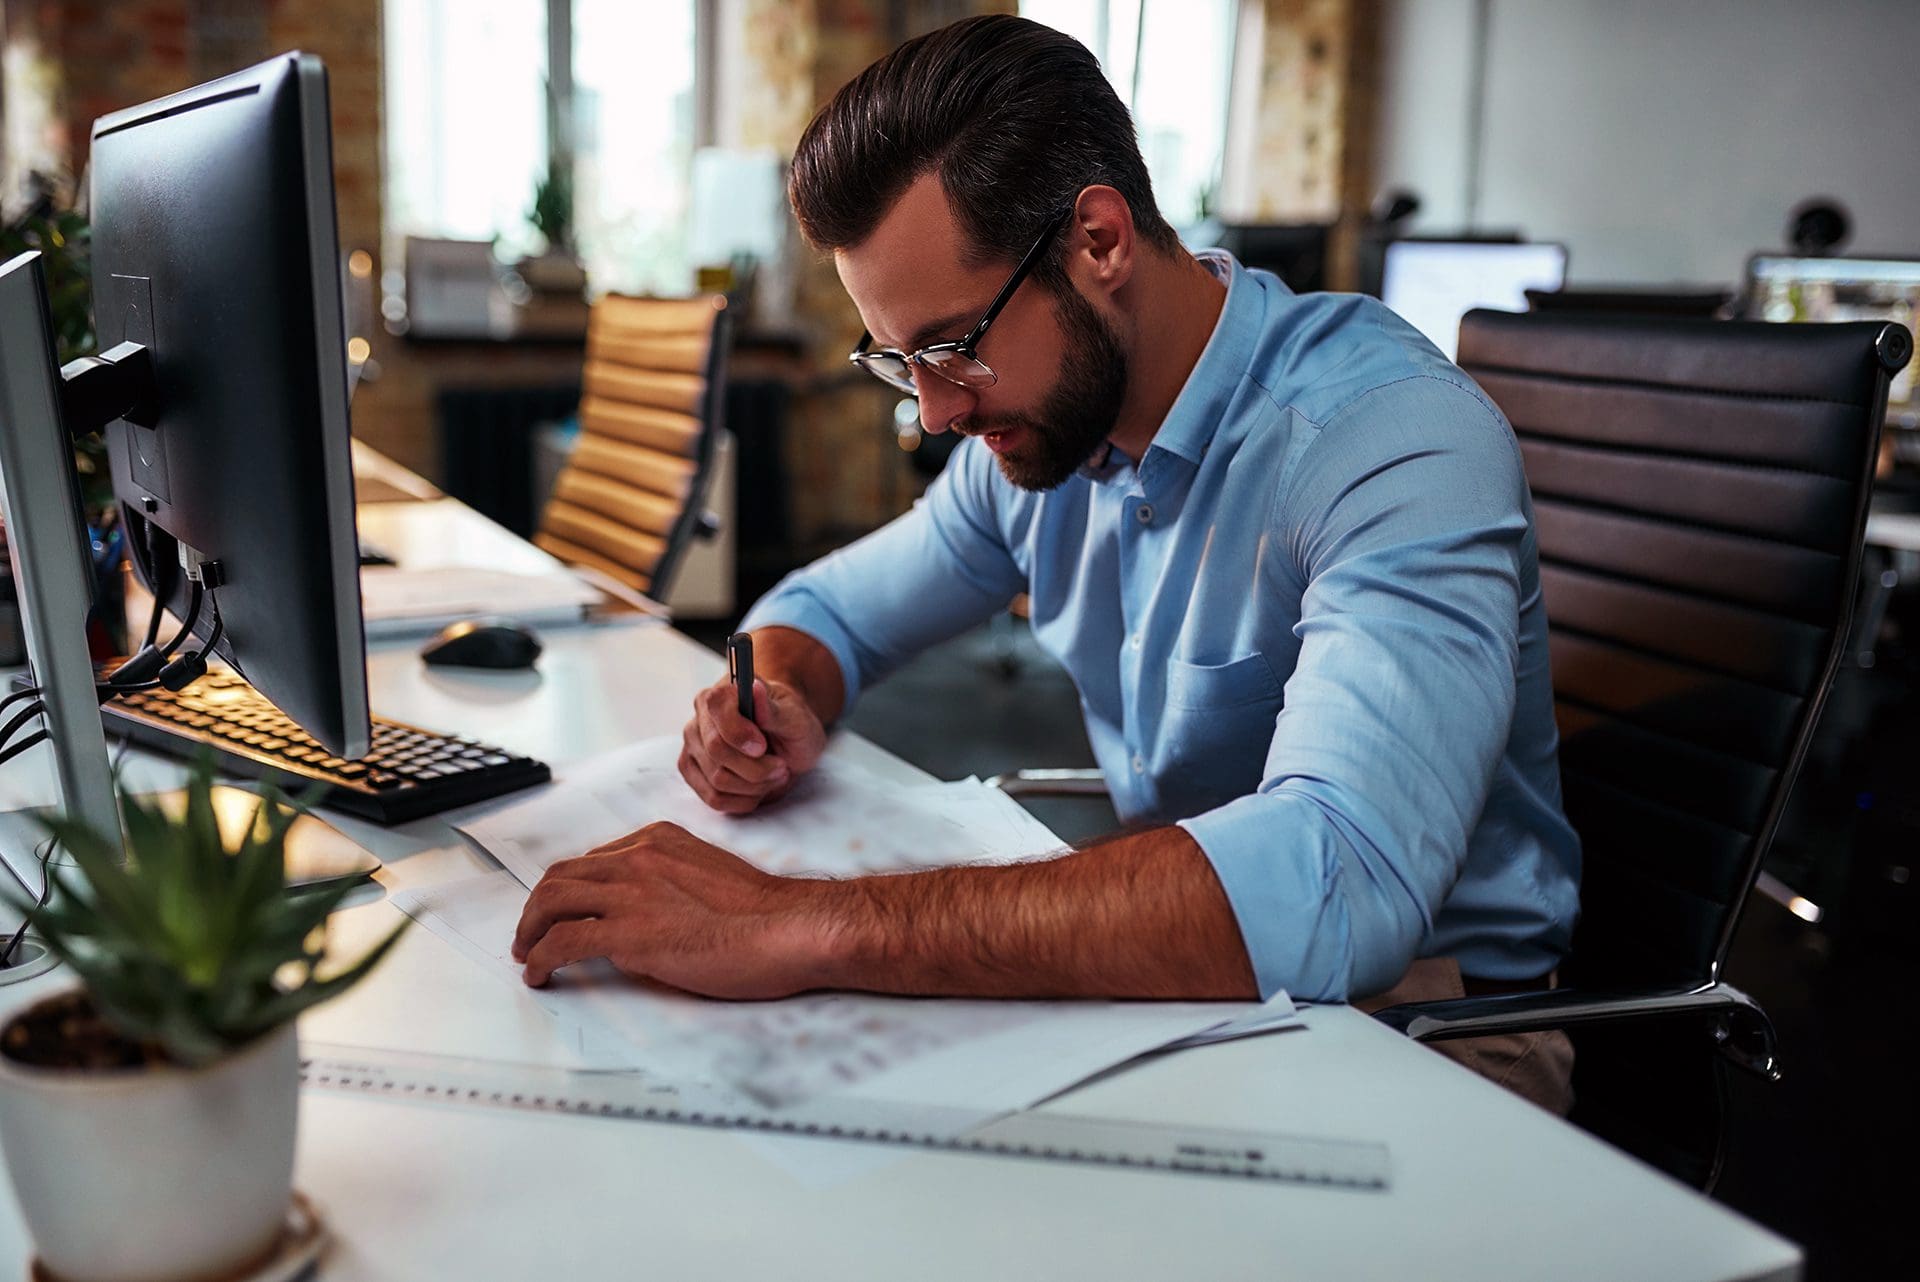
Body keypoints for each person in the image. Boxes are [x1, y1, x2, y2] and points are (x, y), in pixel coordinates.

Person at [513, 15, 1582, 1111]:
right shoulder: (1055, 433)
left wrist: (791, 921)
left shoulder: (1389, 437)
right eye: (898, 359)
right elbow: (826, 609)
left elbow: (1337, 881)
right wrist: (773, 691)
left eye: (951, 346)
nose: (931, 413)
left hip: (1437, 1032)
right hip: (1207, 1001)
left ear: (1101, 243)